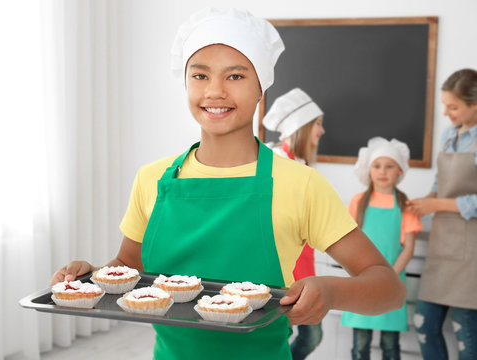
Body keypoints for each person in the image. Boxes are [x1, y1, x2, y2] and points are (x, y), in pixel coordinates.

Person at [50, 8, 406, 360]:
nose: (215, 91)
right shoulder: (152, 179)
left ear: (260, 89)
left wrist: (330, 290)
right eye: (200, 76)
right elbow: (130, 270)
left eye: (235, 77)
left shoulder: (300, 184)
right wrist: (91, 276)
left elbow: (389, 288)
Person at [407, 68, 477, 360]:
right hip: (444, 244)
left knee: (467, 336)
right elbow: (440, 184)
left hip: (472, 252)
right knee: (424, 323)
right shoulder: (450, 135)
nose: (447, 113)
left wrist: (437, 206)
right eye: (445, 106)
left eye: (454, 107)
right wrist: (426, 201)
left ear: (475, 104)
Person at [341, 137, 422, 360]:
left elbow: (408, 248)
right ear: (369, 170)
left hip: (393, 281)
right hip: (363, 281)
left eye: (389, 166)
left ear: (399, 171)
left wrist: (390, 275)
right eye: (377, 166)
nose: (382, 171)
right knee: (360, 345)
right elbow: (349, 241)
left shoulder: (406, 205)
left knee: (390, 345)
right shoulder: (358, 202)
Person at [263, 87, 325, 359]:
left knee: (311, 334)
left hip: (304, 265)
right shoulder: (273, 163)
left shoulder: (302, 165)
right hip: (281, 269)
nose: (321, 132)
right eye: (318, 124)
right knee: (285, 334)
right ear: (302, 127)